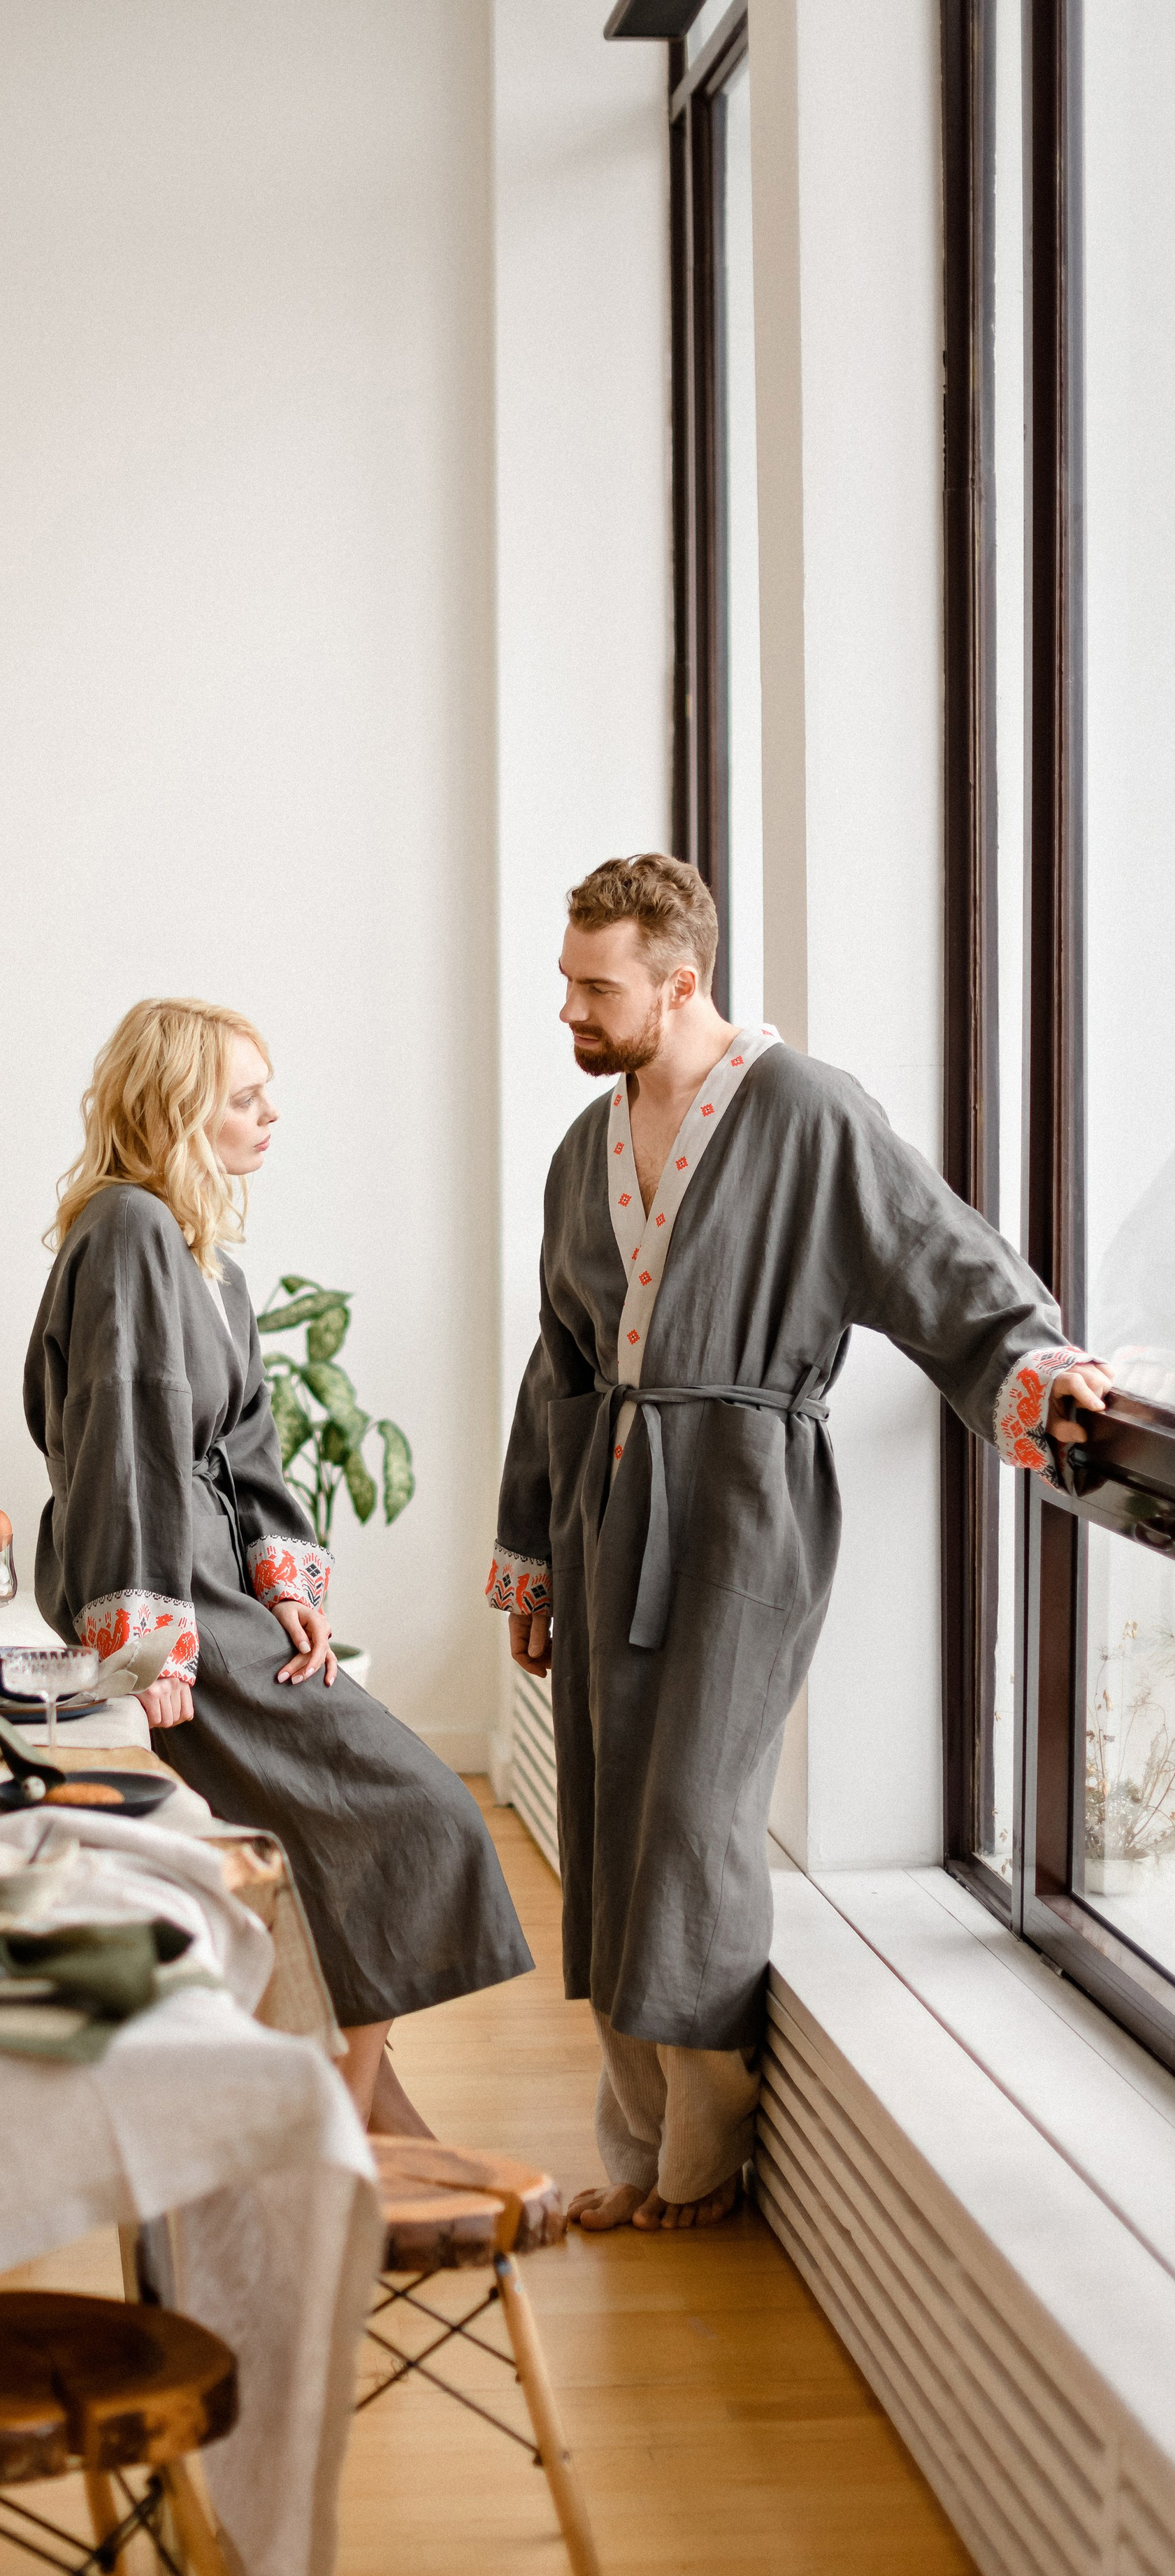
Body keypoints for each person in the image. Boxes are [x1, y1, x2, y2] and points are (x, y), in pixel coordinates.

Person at [491, 854, 1109, 2232]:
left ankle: (703, 2162)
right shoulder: (578, 1148)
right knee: (605, 1807)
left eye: (593, 988)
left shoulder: (807, 1114)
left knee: (694, 1819)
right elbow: (559, 1363)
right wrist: (528, 1545)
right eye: (565, 984)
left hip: (739, 1503)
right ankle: (639, 2150)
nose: (569, 1013)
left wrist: (1037, 1366)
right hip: (604, 1498)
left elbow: (936, 1261)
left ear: (679, 979)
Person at [27, 996, 533, 2129]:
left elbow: (245, 1441)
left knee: (339, 1834)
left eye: (267, 1093)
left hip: (219, 1588)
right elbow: (126, 1434)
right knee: (424, 1813)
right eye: (246, 1097)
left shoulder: (211, 1263)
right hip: (168, 1592)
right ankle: (343, 2133)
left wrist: (286, 1585)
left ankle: (364, 2105)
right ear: (181, 1108)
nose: (271, 1115)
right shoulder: (130, 1232)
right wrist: (144, 1638)